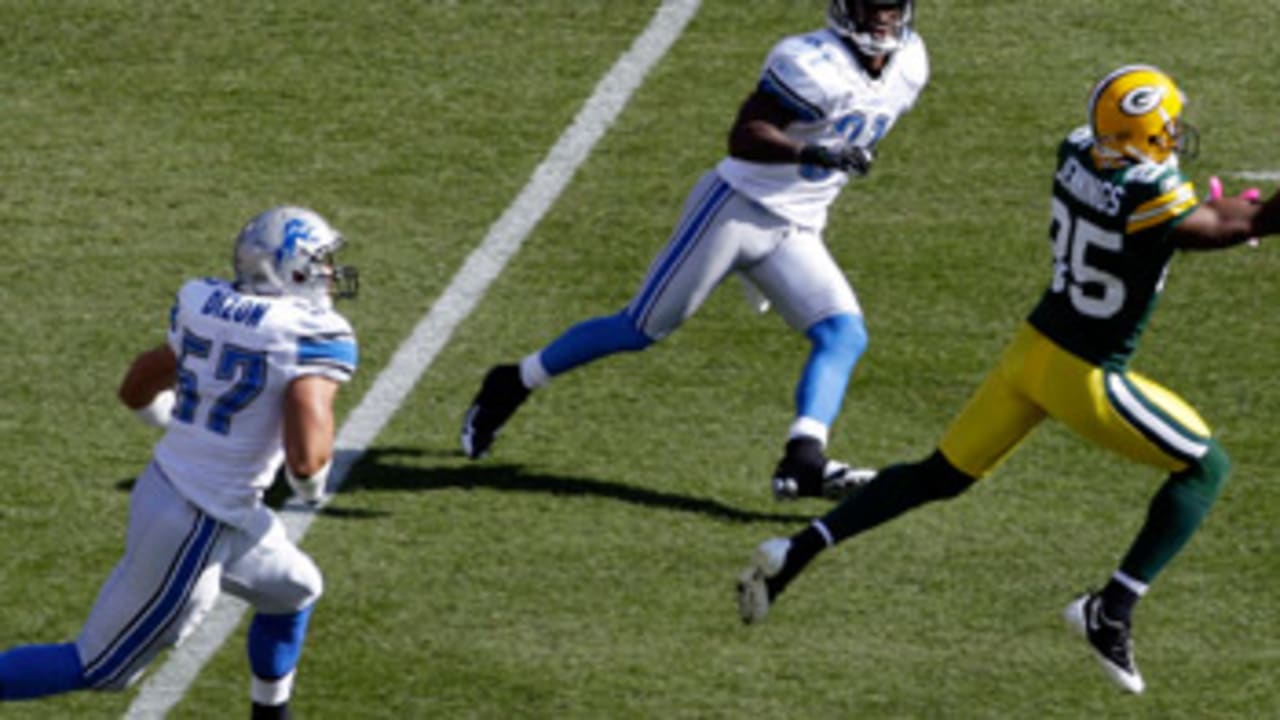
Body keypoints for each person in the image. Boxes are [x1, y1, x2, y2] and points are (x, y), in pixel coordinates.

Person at [736, 64, 1280, 695]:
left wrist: (1224, 214)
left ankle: (791, 555)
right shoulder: (1151, 194)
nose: (1175, 133)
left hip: (1032, 351)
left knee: (937, 474)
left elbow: (1182, 219)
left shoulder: (1078, 148)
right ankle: (1112, 609)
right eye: (1165, 126)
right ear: (1145, 135)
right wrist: (1247, 216)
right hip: (1085, 374)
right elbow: (1236, 226)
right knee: (1205, 467)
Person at [461, 0, 928, 500]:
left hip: (798, 225)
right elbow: (745, 136)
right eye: (873, 8)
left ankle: (804, 457)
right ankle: (513, 381)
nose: (884, 19)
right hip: (734, 210)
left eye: (891, 8)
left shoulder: (911, 64)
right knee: (639, 328)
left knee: (843, 334)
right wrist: (808, 151)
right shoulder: (812, 63)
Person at [0, 206, 359, 719]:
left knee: (294, 589)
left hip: (188, 494)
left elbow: (139, 382)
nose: (327, 272)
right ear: (287, 268)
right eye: (318, 262)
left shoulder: (205, 303)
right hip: (198, 519)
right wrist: (311, 486)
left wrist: (165, 417)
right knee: (99, 668)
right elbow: (305, 458)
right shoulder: (307, 332)